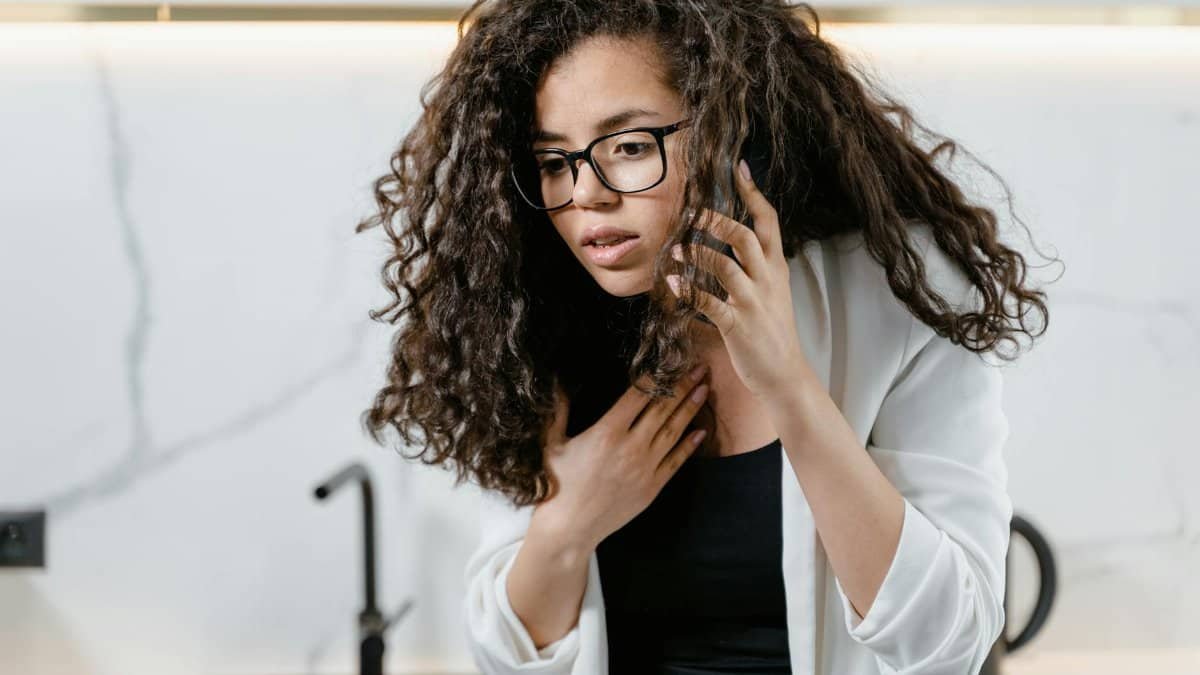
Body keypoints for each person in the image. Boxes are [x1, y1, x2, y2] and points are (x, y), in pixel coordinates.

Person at [354, 1, 1053, 673]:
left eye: (629, 146)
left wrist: (789, 387)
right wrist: (567, 527)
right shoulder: (535, 318)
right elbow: (508, 656)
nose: (588, 193)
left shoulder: (896, 290)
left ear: (730, 130)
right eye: (556, 162)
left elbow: (949, 646)